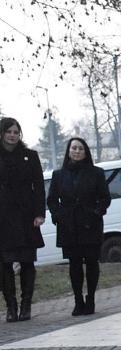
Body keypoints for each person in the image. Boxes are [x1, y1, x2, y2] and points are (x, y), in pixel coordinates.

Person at [47, 138, 111, 316]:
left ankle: (90, 299)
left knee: (91, 262)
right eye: (73, 148)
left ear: (85, 152)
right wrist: (58, 215)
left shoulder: (96, 173)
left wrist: (97, 212)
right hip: (69, 226)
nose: (76, 151)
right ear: (68, 151)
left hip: (90, 224)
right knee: (74, 264)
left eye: (80, 148)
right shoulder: (59, 175)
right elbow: (52, 200)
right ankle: (78, 300)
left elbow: (105, 198)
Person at [0, 117, 45, 323]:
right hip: (3, 219)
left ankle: (26, 304)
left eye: (16, 132)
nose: (12, 135)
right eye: (9, 131)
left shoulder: (30, 156)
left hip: (27, 217)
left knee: (27, 261)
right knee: (5, 264)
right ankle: (11, 306)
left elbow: (39, 187)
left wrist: (39, 213)